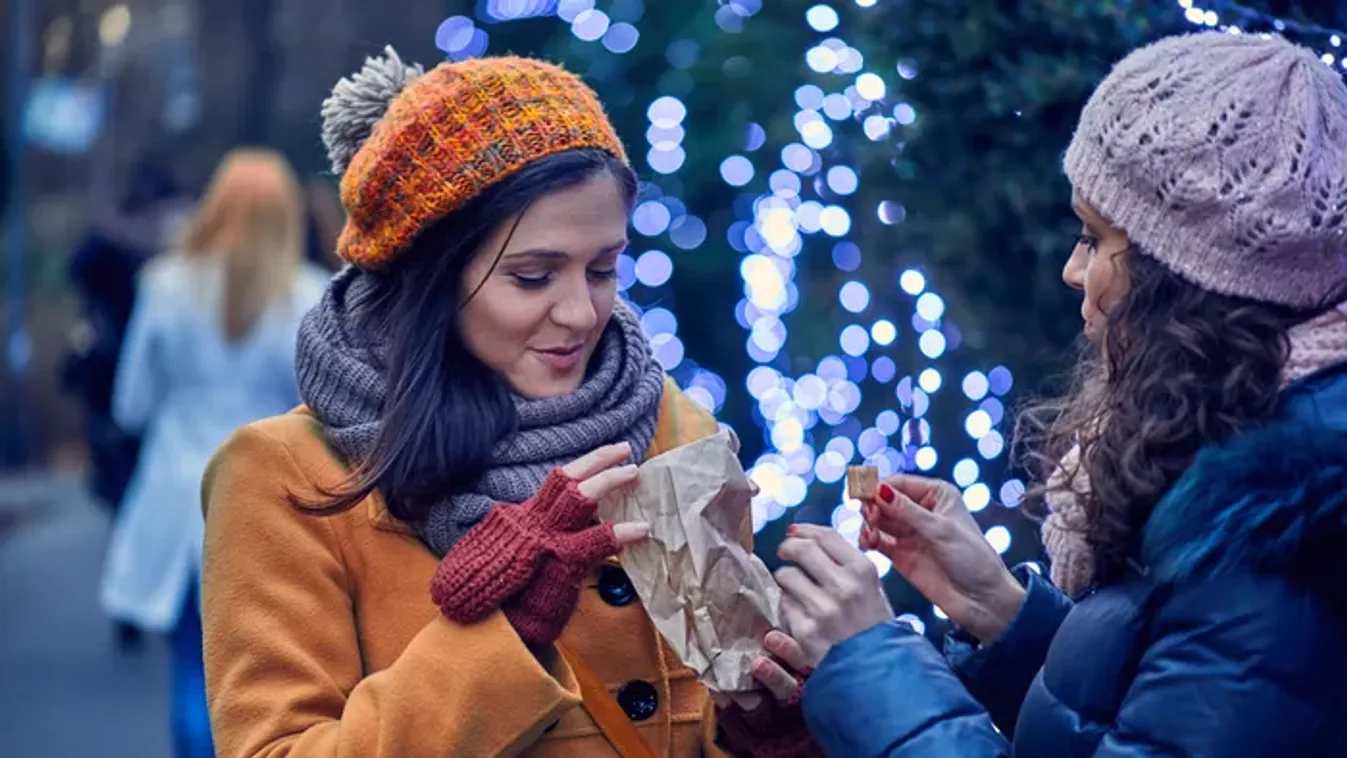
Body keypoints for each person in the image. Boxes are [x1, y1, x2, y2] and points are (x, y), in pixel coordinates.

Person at [199, 49, 816, 758]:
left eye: (603, 268)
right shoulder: (285, 475)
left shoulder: (672, 427)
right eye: (530, 277)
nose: (581, 314)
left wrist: (767, 733)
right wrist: (504, 636)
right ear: (426, 273)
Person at [752, 32, 1347, 756]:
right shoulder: (1254, 458)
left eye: (1095, 239)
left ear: (1185, 276)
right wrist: (1001, 613)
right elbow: (1147, 715)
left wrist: (870, 660)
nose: (1072, 269)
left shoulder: (1273, 557)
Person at [100, 147, 329, 758]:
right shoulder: (310, 296)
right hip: (270, 505)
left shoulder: (166, 286)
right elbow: (319, 413)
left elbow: (132, 404)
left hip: (177, 500)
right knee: (261, 675)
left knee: (189, 666)